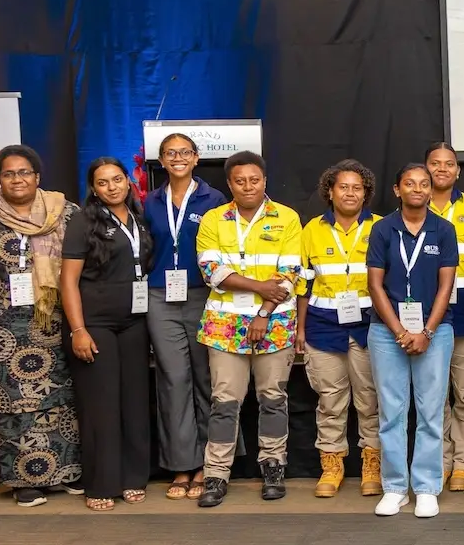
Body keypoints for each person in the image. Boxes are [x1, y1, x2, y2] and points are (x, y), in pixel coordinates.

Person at [0, 144, 81, 506]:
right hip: (5, 332)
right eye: (9, 173)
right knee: (12, 404)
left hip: (57, 323)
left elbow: (85, 262)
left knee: (62, 398)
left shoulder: (66, 213)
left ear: (38, 177)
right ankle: (23, 480)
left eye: (24, 172)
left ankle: (67, 471)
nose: (17, 179)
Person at [192, 151, 303, 508]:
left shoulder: (286, 218)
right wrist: (259, 288)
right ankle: (216, 474)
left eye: (254, 180)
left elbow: (289, 274)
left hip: (274, 323)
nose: (248, 186)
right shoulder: (213, 219)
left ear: (265, 181)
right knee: (224, 403)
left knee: (273, 399)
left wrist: (263, 313)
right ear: (230, 184)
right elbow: (212, 271)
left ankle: (273, 466)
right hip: (224, 326)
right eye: (240, 181)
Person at [60, 158, 154, 511]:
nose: (112, 187)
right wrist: (78, 330)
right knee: (101, 404)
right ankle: (101, 483)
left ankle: (133, 477)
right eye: (103, 182)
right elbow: (68, 280)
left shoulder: (138, 219)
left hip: (134, 321)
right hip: (95, 323)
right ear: (94, 188)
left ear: (129, 182)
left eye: (117, 179)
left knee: (133, 401)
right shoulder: (83, 221)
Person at [366, 164, 460, 519]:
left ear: (431, 189)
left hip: (435, 331)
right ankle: (394, 487)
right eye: (410, 183)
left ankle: (425, 487)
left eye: (424, 183)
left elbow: (445, 286)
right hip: (387, 331)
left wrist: (427, 333)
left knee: (431, 413)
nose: (418, 189)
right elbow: (375, 285)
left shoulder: (444, 229)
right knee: (391, 413)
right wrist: (401, 332)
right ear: (397, 190)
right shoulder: (382, 229)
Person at [142, 133, 225, 501]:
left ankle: (210, 464)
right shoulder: (149, 202)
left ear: (196, 158)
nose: (178, 158)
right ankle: (181, 465)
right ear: (161, 160)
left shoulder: (214, 199)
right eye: (170, 153)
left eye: (184, 152)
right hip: (160, 297)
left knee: (207, 378)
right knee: (173, 380)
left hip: (204, 295)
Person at [300, 159, 382, 497]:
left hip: (369, 326)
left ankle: (372, 466)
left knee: (370, 400)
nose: (350, 193)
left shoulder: (382, 227)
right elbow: (302, 285)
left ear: (365, 194)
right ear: (330, 192)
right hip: (322, 328)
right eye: (343, 187)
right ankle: (331, 466)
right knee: (330, 400)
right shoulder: (311, 230)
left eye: (356, 188)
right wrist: (300, 329)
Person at [426, 142, 464, 491]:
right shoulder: (414, 208)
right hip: (424, 312)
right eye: (435, 163)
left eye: (449, 164)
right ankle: (440, 461)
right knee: (434, 394)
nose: (442, 169)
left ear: (458, 170)